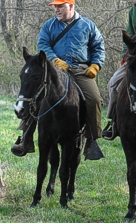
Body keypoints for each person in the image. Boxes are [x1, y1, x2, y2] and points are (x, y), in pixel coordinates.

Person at [11, 0, 105, 160]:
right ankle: (26, 138)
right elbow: (43, 45)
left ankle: (92, 140)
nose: (56, 9)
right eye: (55, 6)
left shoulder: (88, 26)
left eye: (60, 6)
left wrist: (95, 65)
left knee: (94, 99)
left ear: (71, 6)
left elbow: (98, 46)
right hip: (55, 69)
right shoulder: (48, 26)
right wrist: (54, 60)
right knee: (35, 94)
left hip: (80, 69)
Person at [102, 4, 136, 140]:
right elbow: (128, 35)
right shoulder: (134, 10)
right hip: (134, 54)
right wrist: (125, 57)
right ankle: (114, 122)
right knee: (114, 83)